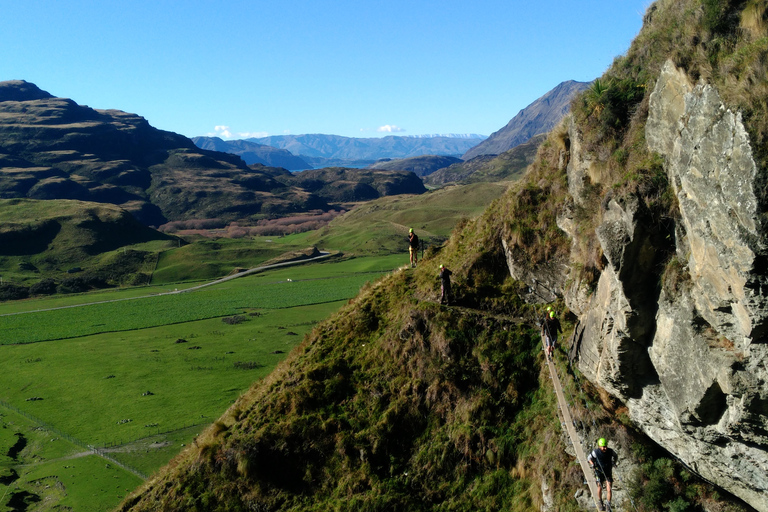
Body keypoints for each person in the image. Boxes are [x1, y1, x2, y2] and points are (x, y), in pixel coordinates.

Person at [587, 438, 619, 511]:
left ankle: (608, 505)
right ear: (599, 446)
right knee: (600, 487)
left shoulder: (610, 451)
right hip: (599, 471)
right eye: (603, 446)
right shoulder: (595, 452)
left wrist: (614, 462)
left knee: (609, 489)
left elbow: (616, 456)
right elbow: (589, 458)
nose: (605, 448)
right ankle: (600, 502)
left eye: (605, 446)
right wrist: (592, 464)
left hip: (608, 472)